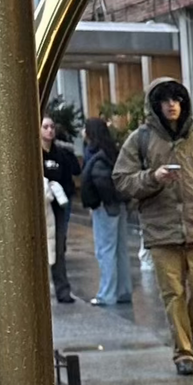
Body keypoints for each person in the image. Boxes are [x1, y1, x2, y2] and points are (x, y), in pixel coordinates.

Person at [113, 77, 193, 375]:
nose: (172, 105)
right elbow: (122, 179)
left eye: (177, 99)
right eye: (166, 100)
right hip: (161, 230)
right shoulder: (139, 139)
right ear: (156, 105)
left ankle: (191, 334)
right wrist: (153, 177)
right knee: (173, 294)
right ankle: (183, 352)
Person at [81, 115, 132, 307]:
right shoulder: (112, 151)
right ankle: (123, 290)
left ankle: (106, 294)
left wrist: (97, 202)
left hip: (104, 206)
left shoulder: (94, 153)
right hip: (117, 205)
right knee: (120, 250)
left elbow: (100, 181)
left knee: (105, 250)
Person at [41, 115, 81, 303]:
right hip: (40, 206)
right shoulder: (33, 155)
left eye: (52, 127)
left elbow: (72, 173)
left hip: (58, 206)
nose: (49, 130)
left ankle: (62, 289)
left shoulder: (61, 154)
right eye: (45, 127)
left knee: (58, 246)